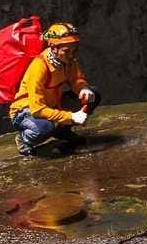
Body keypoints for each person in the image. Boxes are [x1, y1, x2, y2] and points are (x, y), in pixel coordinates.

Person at [9, 22, 99, 156]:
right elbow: (37, 109)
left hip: (51, 103)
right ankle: (24, 139)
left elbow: (76, 79)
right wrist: (71, 116)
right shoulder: (39, 67)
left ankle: (62, 131)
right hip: (26, 111)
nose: (72, 55)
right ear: (53, 47)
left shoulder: (68, 61)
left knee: (94, 95)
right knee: (44, 128)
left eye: (74, 50)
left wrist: (83, 88)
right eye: (67, 51)